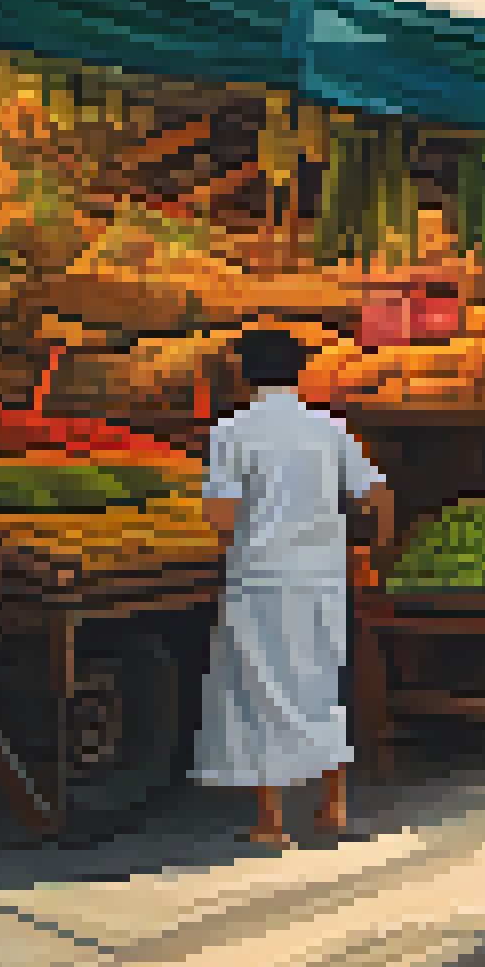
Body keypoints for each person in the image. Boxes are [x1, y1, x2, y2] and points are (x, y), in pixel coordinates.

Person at [196, 329, 394, 848]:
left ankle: (272, 822)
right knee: (323, 687)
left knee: (261, 693)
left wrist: (229, 531)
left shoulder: (230, 432)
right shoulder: (327, 428)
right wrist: (373, 554)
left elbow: (220, 513)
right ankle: (333, 808)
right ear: (299, 373)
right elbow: (377, 495)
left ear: (242, 373)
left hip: (260, 577)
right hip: (322, 577)